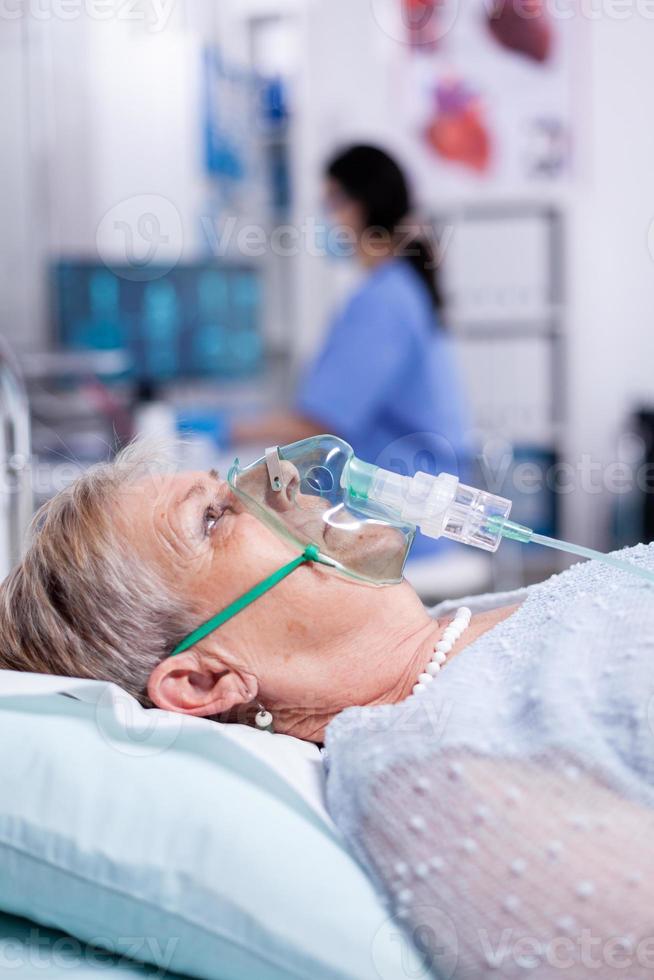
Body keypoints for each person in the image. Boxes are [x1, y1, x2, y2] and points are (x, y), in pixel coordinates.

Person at [2, 443, 654, 977]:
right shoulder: (423, 775)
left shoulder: (467, 626)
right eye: (215, 516)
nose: (280, 474)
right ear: (203, 682)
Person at [233, 145, 470, 559]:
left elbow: (319, 423)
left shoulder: (383, 301)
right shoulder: (397, 287)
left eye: (333, 202)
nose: (328, 218)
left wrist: (220, 429)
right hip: (406, 513)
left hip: (399, 524)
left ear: (362, 206)